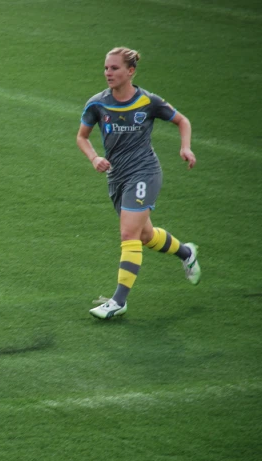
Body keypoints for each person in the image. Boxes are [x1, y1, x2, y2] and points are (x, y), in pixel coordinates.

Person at [76, 47, 201, 319]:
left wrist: (186, 148)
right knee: (144, 235)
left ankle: (118, 300)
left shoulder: (148, 101)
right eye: (106, 68)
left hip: (144, 172)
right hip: (117, 176)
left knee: (128, 235)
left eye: (115, 68)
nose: (108, 73)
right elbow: (82, 137)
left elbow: (182, 121)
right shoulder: (97, 103)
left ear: (130, 71)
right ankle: (186, 253)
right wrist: (94, 157)